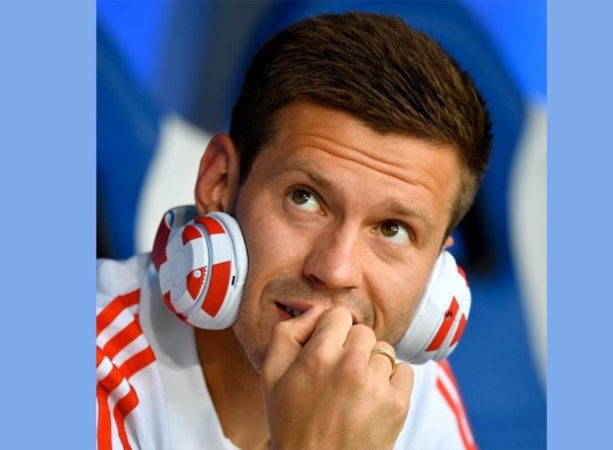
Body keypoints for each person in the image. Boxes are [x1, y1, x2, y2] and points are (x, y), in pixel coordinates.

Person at [96, 12, 491, 450]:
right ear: (218, 182)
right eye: (304, 198)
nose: (335, 270)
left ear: (435, 270)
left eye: (393, 229)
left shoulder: (401, 387)